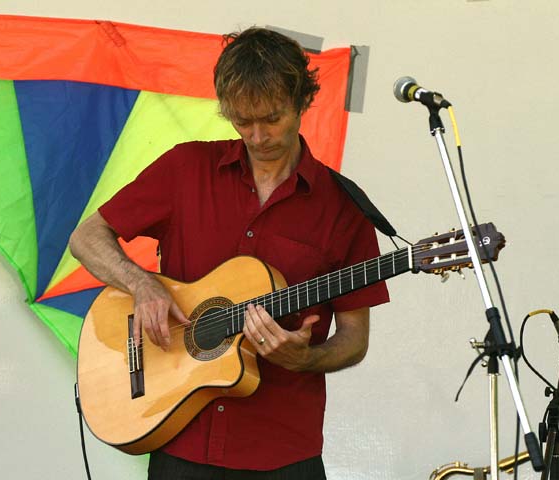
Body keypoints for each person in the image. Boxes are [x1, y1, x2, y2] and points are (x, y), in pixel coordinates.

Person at [69, 27, 389, 479]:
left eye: (272, 118)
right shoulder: (185, 169)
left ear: (303, 101)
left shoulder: (344, 208)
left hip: (282, 451)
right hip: (179, 442)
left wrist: (306, 359)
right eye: (242, 121)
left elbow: (354, 338)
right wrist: (142, 285)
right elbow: (87, 237)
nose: (257, 136)